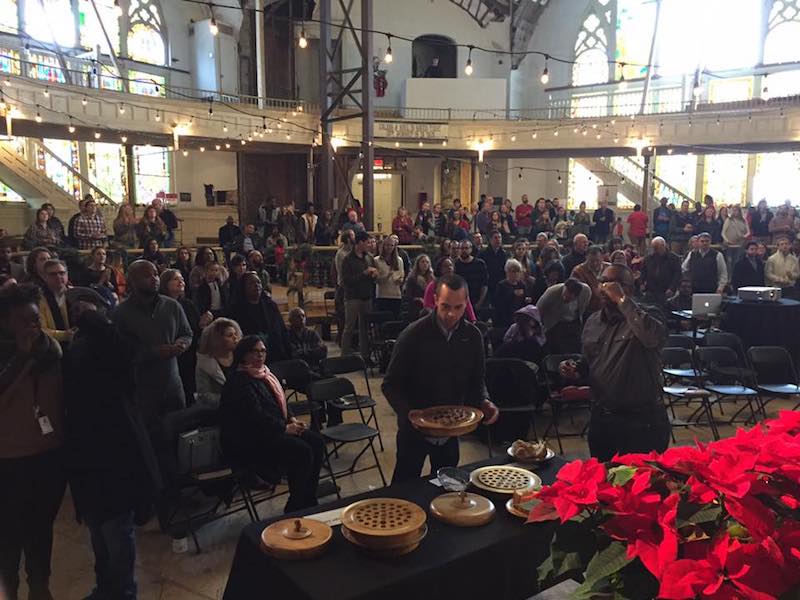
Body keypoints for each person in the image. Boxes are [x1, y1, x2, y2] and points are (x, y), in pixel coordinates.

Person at [63, 307, 159, 600]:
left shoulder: (100, 354)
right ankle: (108, 589)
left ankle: (121, 592)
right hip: (94, 452)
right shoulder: (90, 354)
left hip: (109, 453)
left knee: (114, 531)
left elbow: (123, 353)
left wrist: (96, 324)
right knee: (103, 531)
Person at [383, 274, 499, 483]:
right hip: (414, 430)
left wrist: (484, 400)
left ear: (466, 304)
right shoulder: (413, 334)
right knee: (404, 487)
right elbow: (390, 384)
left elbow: (477, 379)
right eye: (445, 306)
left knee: (446, 487)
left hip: (451, 428)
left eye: (458, 307)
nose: (451, 314)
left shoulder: (473, 336)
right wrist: (408, 413)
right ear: (435, 300)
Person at [559, 264, 669, 461]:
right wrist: (576, 369)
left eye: (614, 283)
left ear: (630, 288)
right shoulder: (593, 321)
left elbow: (651, 337)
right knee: (602, 481)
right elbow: (591, 360)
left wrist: (621, 300)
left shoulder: (649, 314)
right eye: (602, 281)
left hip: (641, 422)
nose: (605, 287)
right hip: (603, 419)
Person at [0, 284, 66, 600]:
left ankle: (40, 586)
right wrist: (22, 359)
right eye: (23, 320)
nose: (32, 326)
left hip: (48, 454)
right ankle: (8, 587)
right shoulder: (7, 355)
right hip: (9, 459)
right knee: (9, 534)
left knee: (41, 528)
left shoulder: (50, 351)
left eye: (35, 318)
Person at [219, 336, 325, 512]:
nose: (260, 355)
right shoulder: (239, 381)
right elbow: (255, 416)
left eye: (263, 351)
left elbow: (279, 401)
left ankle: (309, 498)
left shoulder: (265, 373)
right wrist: (284, 428)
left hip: (274, 428)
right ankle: (295, 505)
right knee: (303, 451)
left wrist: (291, 419)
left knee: (317, 442)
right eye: (255, 351)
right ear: (243, 355)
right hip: (252, 438)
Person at [112, 260, 193, 421]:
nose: (154, 278)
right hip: (142, 389)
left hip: (173, 385)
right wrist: (153, 352)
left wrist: (182, 344)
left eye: (156, 274)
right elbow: (119, 351)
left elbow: (187, 333)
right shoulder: (121, 313)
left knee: (179, 433)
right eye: (147, 275)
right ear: (133, 281)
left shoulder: (172, 306)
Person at [160, 269, 207, 405]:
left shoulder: (188, 304)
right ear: (165, 283)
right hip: (169, 354)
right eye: (175, 279)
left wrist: (203, 324)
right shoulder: (160, 305)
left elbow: (196, 329)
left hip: (188, 354)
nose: (181, 281)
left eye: (182, 278)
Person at [341, 231, 377, 357]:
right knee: (349, 327)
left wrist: (373, 275)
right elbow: (346, 280)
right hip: (353, 298)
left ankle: (365, 356)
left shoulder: (369, 257)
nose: (369, 245)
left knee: (365, 328)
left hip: (366, 296)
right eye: (367, 242)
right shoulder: (348, 259)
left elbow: (372, 277)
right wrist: (364, 274)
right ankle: (344, 356)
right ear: (360, 242)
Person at [536, 278, 591, 354]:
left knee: (575, 347)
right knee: (557, 349)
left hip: (573, 322)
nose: (565, 297)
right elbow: (538, 309)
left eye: (569, 298)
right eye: (565, 294)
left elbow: (584, 306)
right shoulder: (551, 292)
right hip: (554, 323)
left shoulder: (586, 291)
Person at [195, 318, 242, 407]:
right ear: (218, 340)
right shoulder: (204, 364)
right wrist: (230, 399)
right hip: (217, 409)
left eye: (235, 334)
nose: (235, 338)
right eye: (230, 335)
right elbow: (204, 395)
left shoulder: (241, 356)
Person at [493, 258, 543, 329]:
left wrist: (527, 299)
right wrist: (512, 294)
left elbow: (525, 300)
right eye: (513, 271)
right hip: (504, 319)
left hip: (519, 317)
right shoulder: (501, 285)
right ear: (507, 272)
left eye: (518, 271)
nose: (516, 274)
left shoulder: (521, 285)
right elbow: (497, 303)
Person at [39, 259, 74, 345]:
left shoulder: (76, 294)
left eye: (62, 273)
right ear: (44, 277)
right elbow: (40, 330)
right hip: (51, 346)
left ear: (67, 275)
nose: (58, 277)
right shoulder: (38, 298)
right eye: (53, 274)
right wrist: (64, 335)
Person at [640, 236, 682, 306]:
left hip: (666, 290)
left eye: (657, 247)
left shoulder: (674, 258)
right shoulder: (648, 258)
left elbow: (677, 274)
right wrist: (641, 283)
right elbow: (644, 272)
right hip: (651, 290)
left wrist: (672, 288)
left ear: (663, 246)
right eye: (654, 248)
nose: (655, 250)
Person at [571, 245, 610, 313]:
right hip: (587, 310)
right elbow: (574, 292)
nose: (595, 264)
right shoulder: (578, 271)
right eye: (591, 261)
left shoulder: (609, 269)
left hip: (607, 308)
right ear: (586, 257)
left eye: (597, 260)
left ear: (602, 258)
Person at [455, 239, 489, 312]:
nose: (464, 250)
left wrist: (480, 302)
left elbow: (484, 285)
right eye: (462, 248)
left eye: (466, 248)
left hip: (476, 301)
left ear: (471, 249)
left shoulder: (480, 264)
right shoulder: (455, 264)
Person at [375, 236, 405, 317]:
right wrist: (387, 275)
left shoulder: (399, 260)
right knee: (383, 320)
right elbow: (376, 280)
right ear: (383, 246)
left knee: (395, 320)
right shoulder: (377, 260)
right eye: (387, 245)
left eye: (391, 245)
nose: (389, 247)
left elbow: (402, 275)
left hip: (396, 295)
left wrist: (400, 280)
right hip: (382, 295)